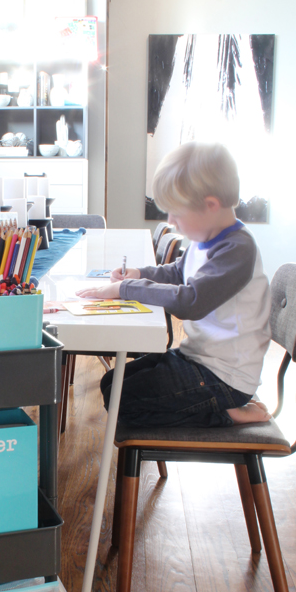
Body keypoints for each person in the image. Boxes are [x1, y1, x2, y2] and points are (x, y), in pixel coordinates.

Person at [76, 142, 272, 428]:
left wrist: (124, 289)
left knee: (122, 400)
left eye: (176, 213)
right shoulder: (205, 240)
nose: (170, 221)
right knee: (111, 383)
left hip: (226, 377)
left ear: (210, 205)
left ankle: (225, 413)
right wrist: (138, 273)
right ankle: (219, 407)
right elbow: (179, 271)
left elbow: (191, 301)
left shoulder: (237, 249)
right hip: (199, 358)